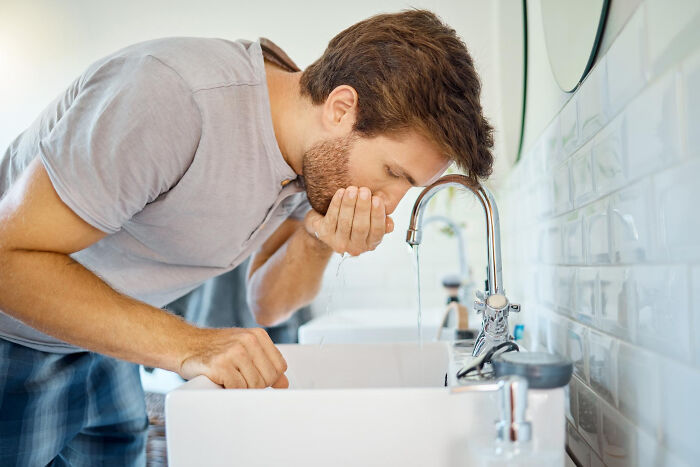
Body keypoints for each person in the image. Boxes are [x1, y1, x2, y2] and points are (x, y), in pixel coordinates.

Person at [0, 8, 494, 465]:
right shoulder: (173, 98)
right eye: (392, 173)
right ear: (342, 108)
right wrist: (191, 344)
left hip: (102, 335)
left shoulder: (308, 158)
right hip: (16, 335)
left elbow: (268, 303)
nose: (388, 204)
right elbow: (7, 260)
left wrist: (317, 239)